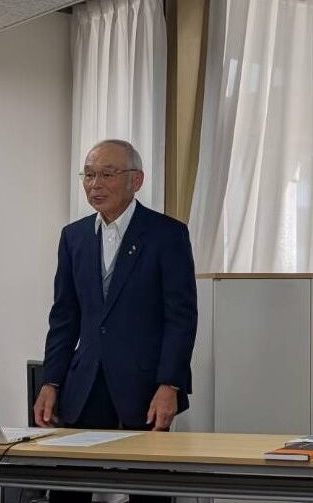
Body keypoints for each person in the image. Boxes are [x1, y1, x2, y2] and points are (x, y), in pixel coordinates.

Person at [33, 139, 197, 503]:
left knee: (149, 491)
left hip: (146, 387)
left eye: (107, 174)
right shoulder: (74, 236)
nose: (95, 184)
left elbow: (181, 318)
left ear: (136, 180)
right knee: (68, 490)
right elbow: (64, 317)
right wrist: (51, 382)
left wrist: (169, 384)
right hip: (85, 384)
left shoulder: (167, 234)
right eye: (89, 175)